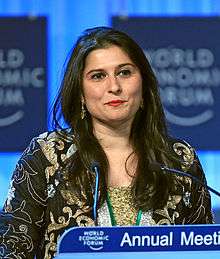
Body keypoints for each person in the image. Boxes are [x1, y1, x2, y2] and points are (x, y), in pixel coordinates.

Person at [0, 26, 213, 258]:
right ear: (80, 93)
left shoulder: (178, 160)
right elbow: (14, 250)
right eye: (98, 76)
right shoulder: (48, 155)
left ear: (144, 85)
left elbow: (205, 249)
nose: (114, 87)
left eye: (124, 72)